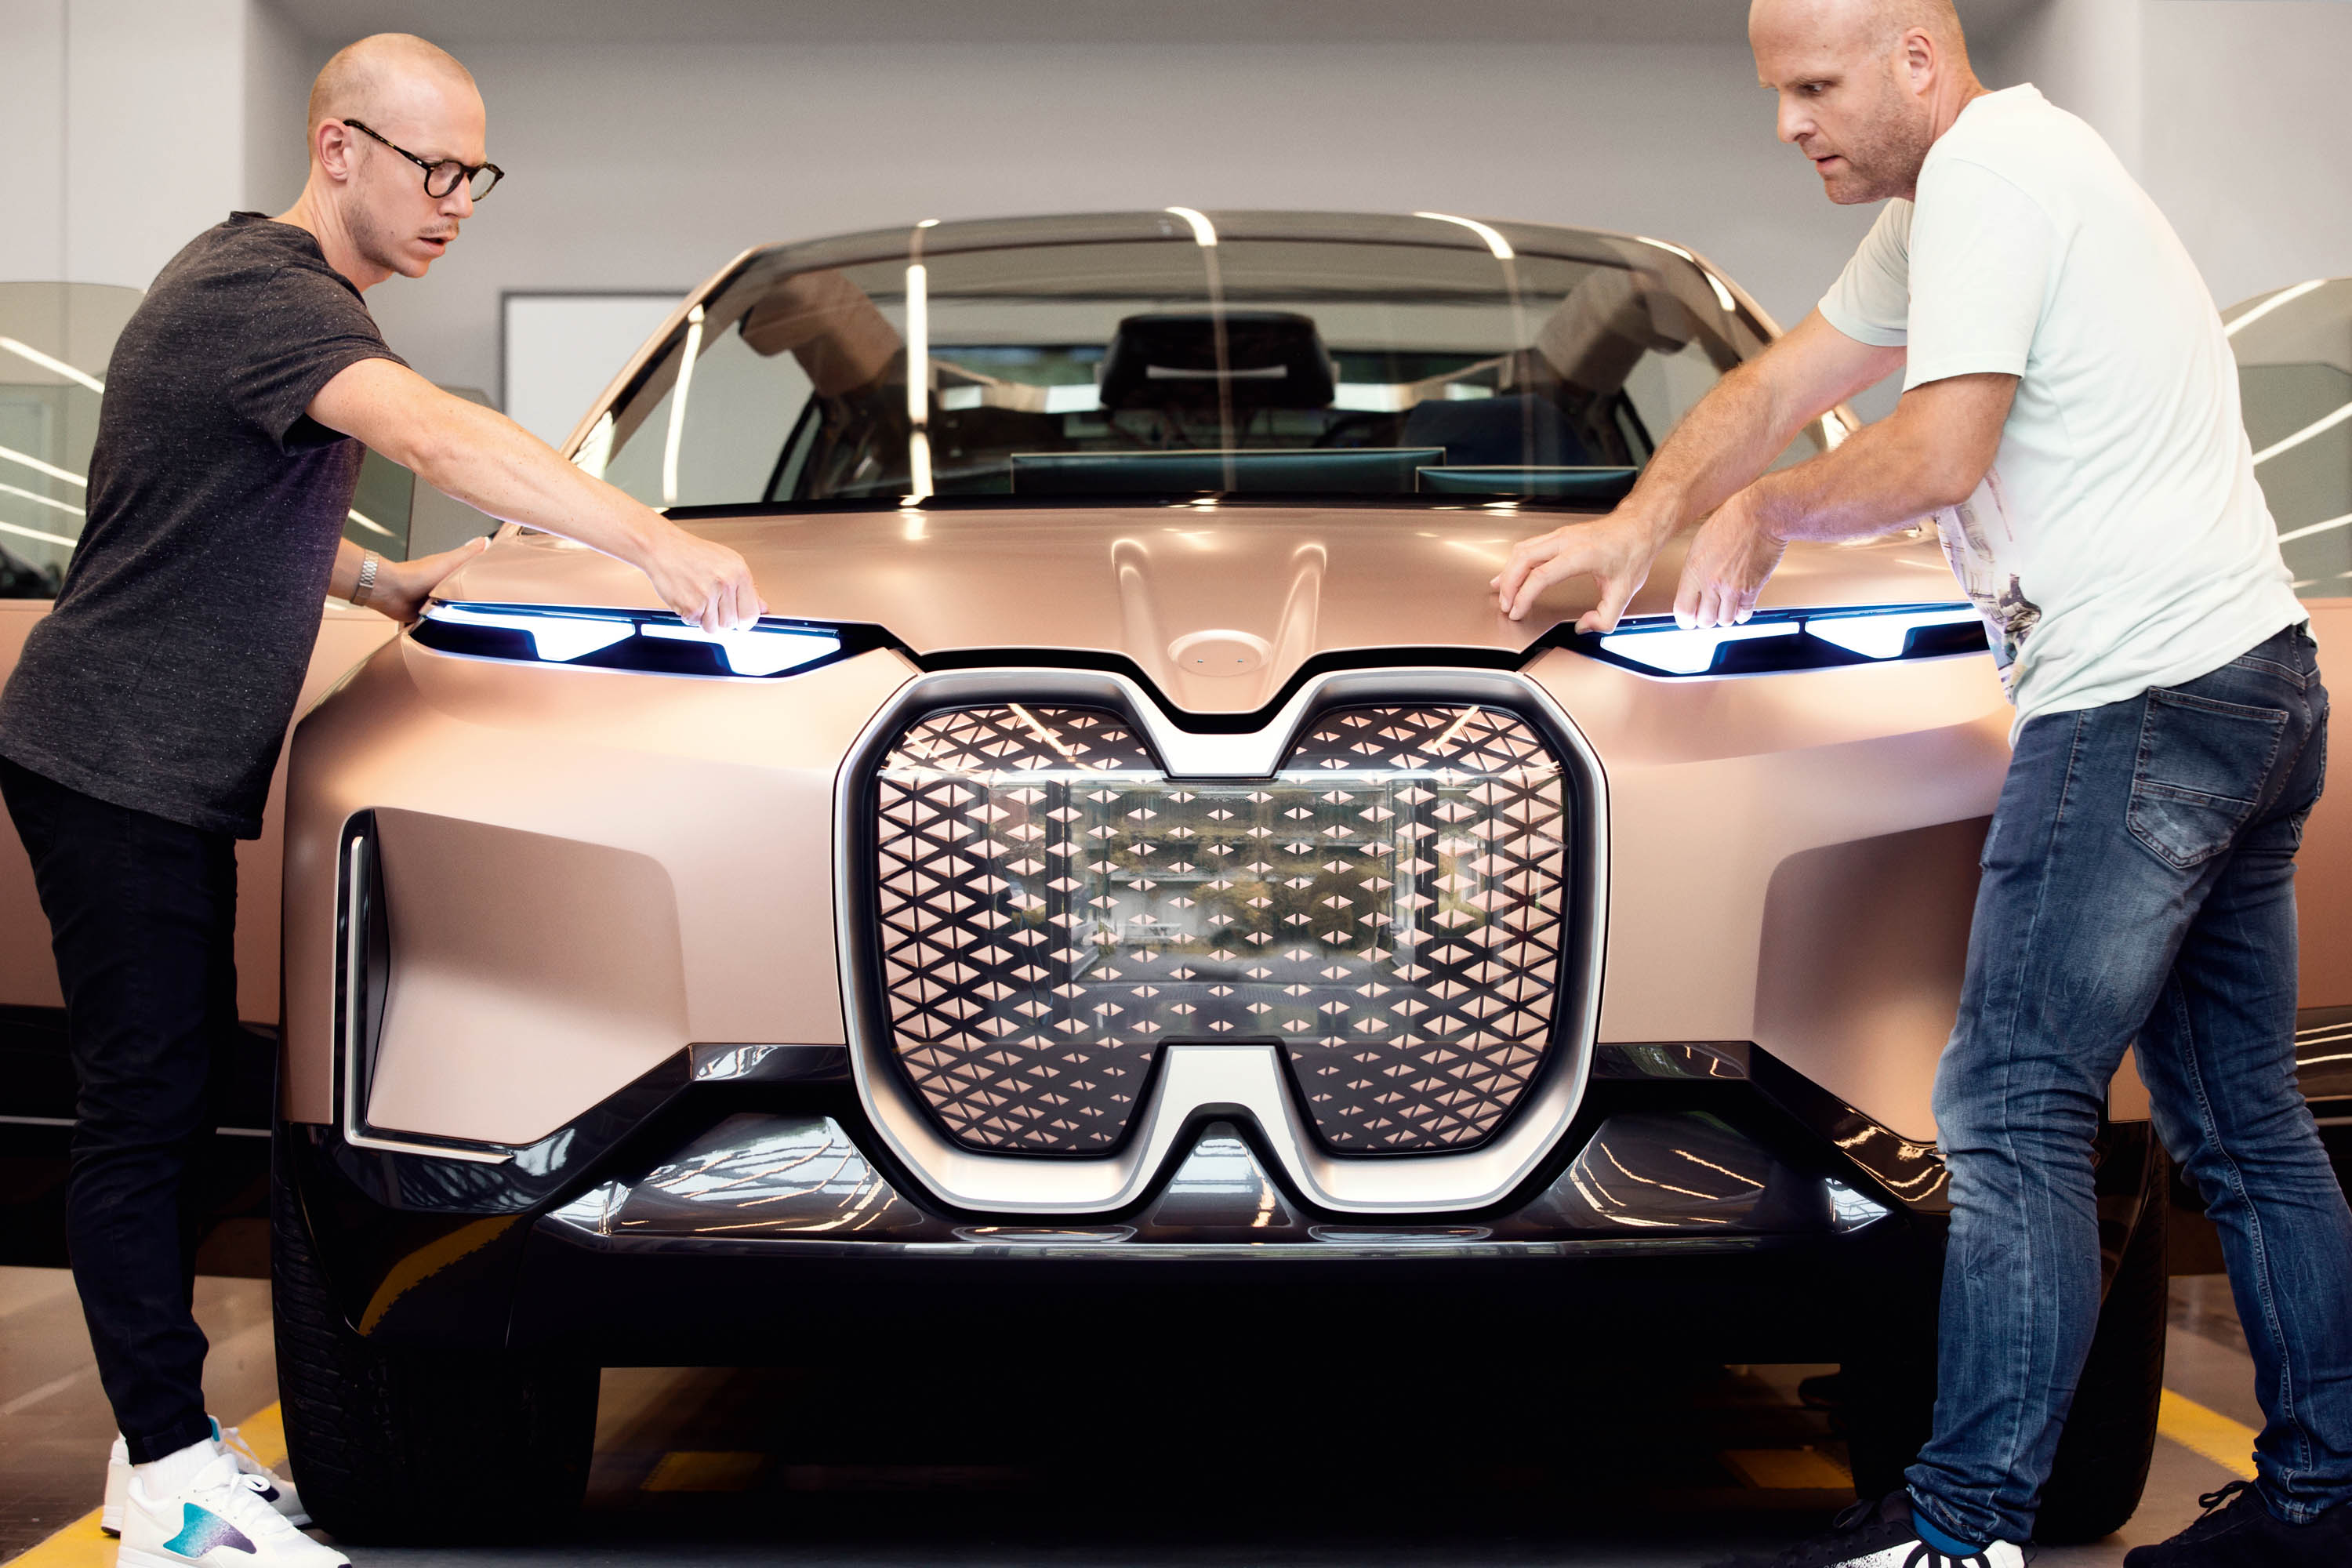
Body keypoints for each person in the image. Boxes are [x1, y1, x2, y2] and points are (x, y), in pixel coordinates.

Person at [1492, 2, 2352, 1564]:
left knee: (2012, 1102)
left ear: (1916, 57)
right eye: (1778, 91)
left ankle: (1963, 1527)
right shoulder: (1964, 194)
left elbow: (1939, 452)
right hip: (2252, 682)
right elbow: (1770, 390)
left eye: (1815, 86)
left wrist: (1767, 516)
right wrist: (1638, 523)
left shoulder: (1992, 180)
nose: (1790, 123)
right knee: (2241, 1125)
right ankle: (2322, 1501)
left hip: (2141, 700)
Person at [0, 33, 762, 1568]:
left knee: (182, 1100)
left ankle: (168, 1445)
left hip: (142, 761)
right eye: (434, 168)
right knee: (144, 1114)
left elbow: (207, 499)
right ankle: (168, 1480)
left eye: (477, 174)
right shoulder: (271, 296)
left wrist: (379, 579)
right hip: (115, 760)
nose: (457, 201)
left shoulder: (260, 294)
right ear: (338, 148)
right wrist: (648, 541)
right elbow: (432, 431)